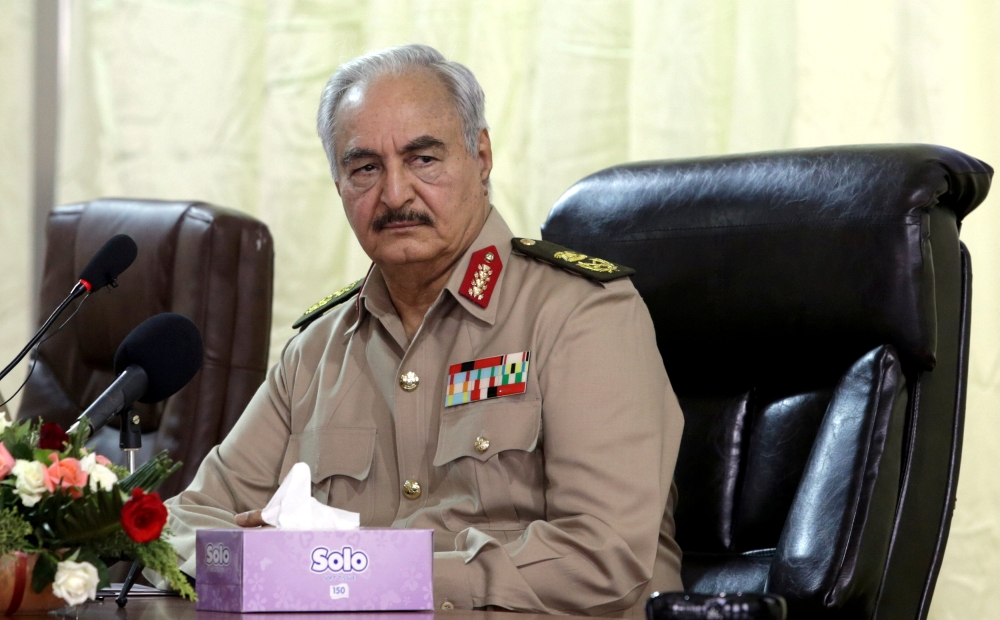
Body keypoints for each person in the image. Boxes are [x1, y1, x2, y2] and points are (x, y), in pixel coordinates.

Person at [161, 43, 684, 616]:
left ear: (480, 155)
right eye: (364, 168)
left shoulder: (582, 315)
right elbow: (182, 524)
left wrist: (360, 570)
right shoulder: (315, 352)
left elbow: (602, 555)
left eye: (423, 159)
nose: (394, 194)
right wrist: (270, 566)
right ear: (338, 184)